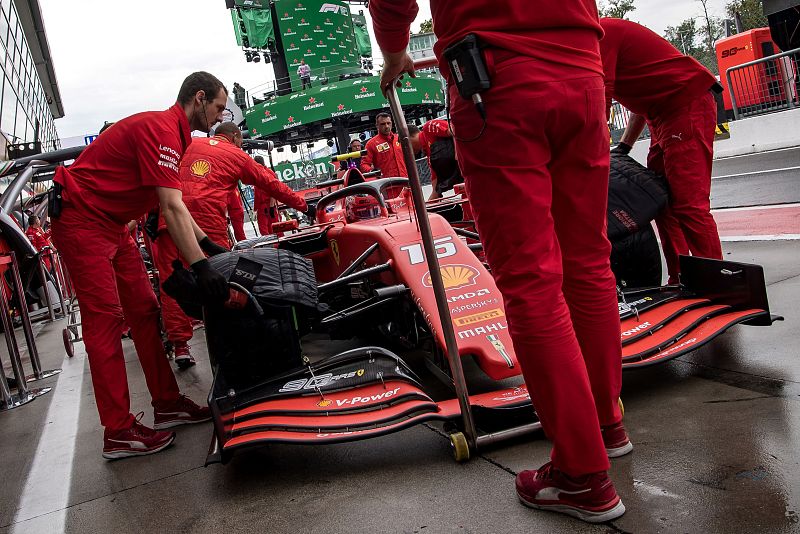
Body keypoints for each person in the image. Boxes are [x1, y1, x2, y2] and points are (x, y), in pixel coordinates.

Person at [371, 1, 628, 523]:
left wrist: (394, 51)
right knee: (589, 262)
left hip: (499, 82)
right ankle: (607, 424)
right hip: (582, 69)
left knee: (532, 283)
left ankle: (581, 474)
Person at [50, 72, 231, 460]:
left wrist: (206, 244)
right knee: (105, 321)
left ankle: (167, 403)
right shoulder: (163, 130)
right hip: (82, 219)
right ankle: (117, 431)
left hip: (112, 223)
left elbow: (175, 203)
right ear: (199, 98)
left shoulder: (177, 135)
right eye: (219, 107)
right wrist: (201, 266)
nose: (221, 116)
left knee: (145, 311)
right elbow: (171, 207)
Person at [152, 123, 308, 363]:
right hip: (207, 223)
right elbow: (271, 183)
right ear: (235, 137)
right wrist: (304, 206)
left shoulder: (189, 143)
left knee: (172, 282)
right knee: (220, 283)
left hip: (170, 218)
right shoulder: (236, 155)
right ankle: (226, 344)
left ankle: (181, 346)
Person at [601, 17, 723, 284]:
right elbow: (642, 105)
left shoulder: (601, 35)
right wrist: (624, 146)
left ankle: (717, 284)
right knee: (661, 200)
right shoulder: (606, 41)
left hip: (685, 105)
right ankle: (679, 278)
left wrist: (593, 153)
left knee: (689, 205)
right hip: (662, 115)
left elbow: (602, 100)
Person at [408, 119, 454, 201]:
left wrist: (458, 153)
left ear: (408, 139)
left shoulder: (428, 127)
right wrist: (426, 207)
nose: (406, 151)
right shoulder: (431, 158)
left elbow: (456, 130)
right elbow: (435, 191)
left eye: (404, 147)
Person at [362, 113, 408, 178]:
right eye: (383, 124)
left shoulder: (399, 138)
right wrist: (373, 172)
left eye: (388, 123)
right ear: (377, 126)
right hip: (387, 182)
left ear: (391, 123)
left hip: (405, 180)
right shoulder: (371, 144)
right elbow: (364, 165)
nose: (386, 126)